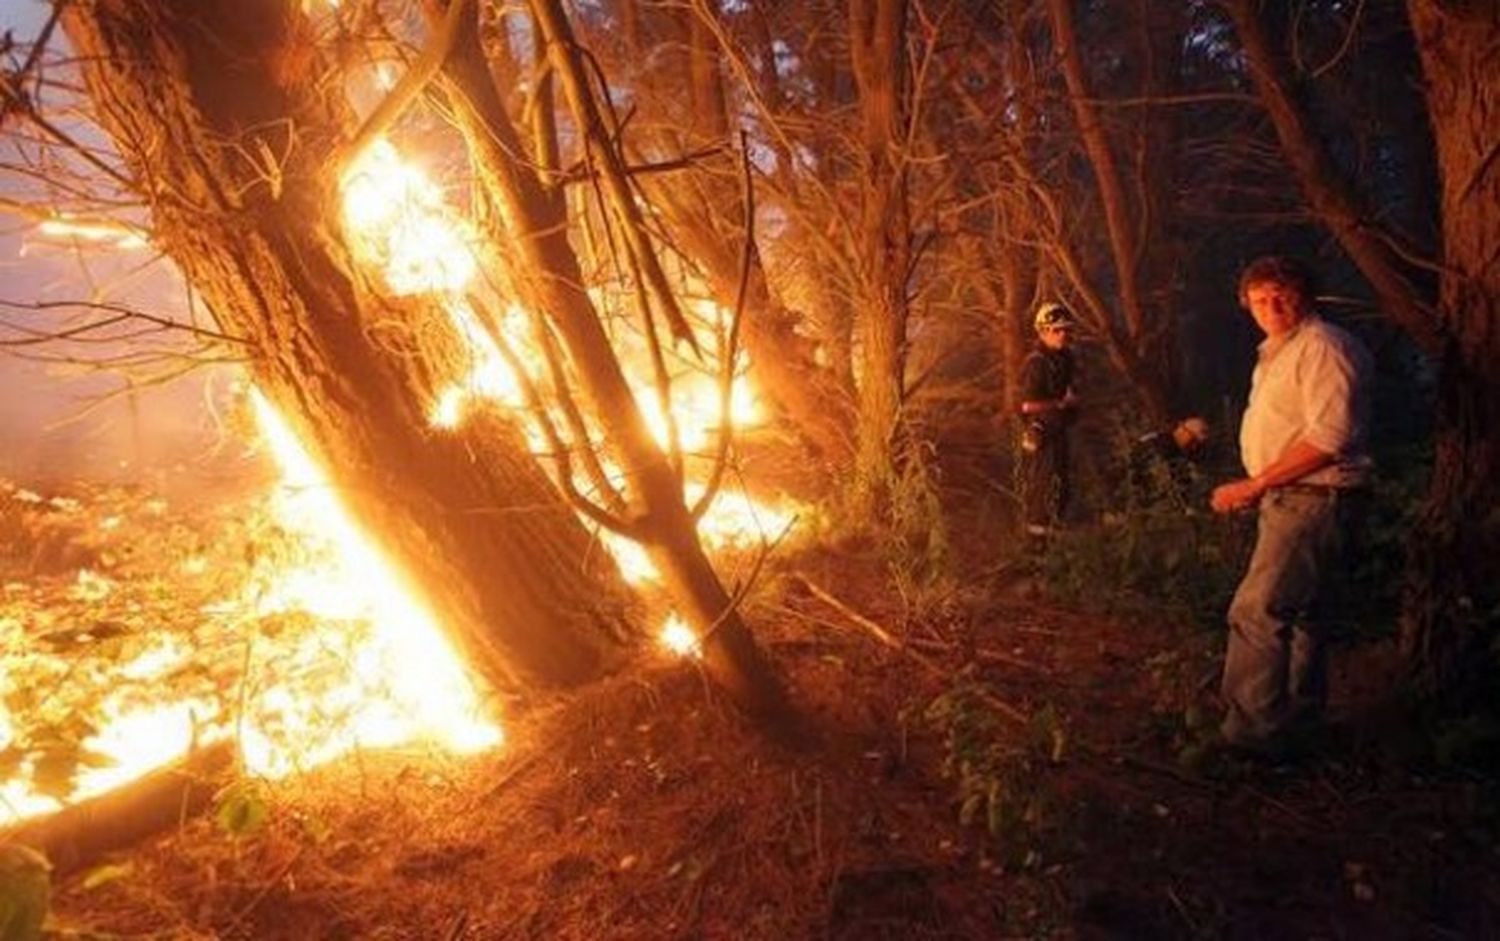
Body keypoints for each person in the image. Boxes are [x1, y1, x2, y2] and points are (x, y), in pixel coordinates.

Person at [1210, 255, 1373, 755]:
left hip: (1314, 497)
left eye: (1280, 295)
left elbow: (1329, 439)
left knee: (1258, 611)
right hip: (1298, 497)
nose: (1270, 307)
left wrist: (1254, 484)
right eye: (1259, 300)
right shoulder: (1278, 352)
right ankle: (1299, 721)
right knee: (1303, 613)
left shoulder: (1323, 348)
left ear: (1303, 294)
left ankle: (1251, 737)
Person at [1018, 301, 1079, 537]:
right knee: (1043, 483)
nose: (1062, 334)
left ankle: (1054, 534)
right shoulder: (1036, 363)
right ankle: (1037, 542)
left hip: (1060, 429)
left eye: (1066, 329)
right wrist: (1061, 404)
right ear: (1042, 331)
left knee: (1061, 482)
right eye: (1056, 330)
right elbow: (1027, 404)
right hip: (1041, 431)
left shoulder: (1065, 359)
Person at [1128, 416, 1211, 503]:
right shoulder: (1159, 446)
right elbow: (1163, 484)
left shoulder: (1174, 450)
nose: (1194, 447)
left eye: (1197, 444)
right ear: (1183, 430)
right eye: (1193, 441)